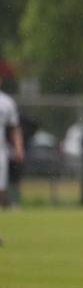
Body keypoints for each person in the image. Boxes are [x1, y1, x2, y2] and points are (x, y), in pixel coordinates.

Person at [0, 82, 25, 225]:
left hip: (1, 150)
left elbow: (14, 128)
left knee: (1, 190)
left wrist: (19, 147)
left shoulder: (6, 102)